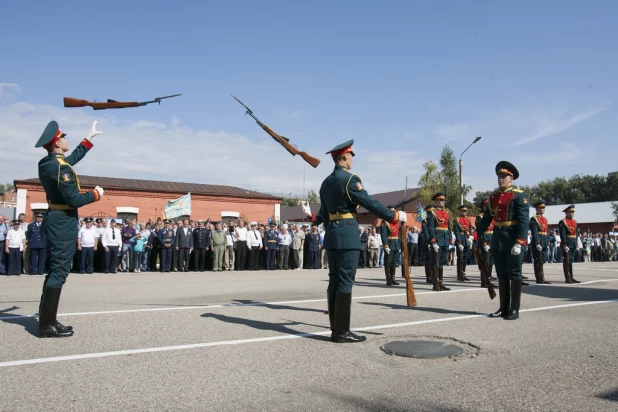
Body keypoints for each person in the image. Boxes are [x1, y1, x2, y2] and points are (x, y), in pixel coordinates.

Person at [304, 140, 406, 343]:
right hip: (347, 235)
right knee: (344, 282)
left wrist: (311, 218)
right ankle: (341, 332)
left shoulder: (326, 183)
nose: (352, 160)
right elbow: (369, 202)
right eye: (350, 156)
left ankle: (336, 329)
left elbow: (323, 215)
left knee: (334, 281)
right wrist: (394, 216)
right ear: (342, 157)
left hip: (332, 235)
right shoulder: (350, 180)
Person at [35, 120, 104, 337]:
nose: (66, 140)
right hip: (63, 222)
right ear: (57, 143)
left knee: (54, 271)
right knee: (59, 271)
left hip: (55, 218)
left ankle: (48, 320)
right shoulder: (60, 168)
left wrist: (88, 140)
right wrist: (95, 195)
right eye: (63, 137)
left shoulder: (47, 163)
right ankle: (46, 325)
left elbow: (69, 160)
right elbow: (73, 199)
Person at [476, 161, 529, 320]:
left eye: (504, 176)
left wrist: (519, 241)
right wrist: (477, 236)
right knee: (501, 274)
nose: (501, 178)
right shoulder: (494, 197)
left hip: (513, 238)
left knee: (514, 273)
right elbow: (486, 220)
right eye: (499, 176)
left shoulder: (519, 196)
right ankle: (504, 307)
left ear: (511, 178)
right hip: (498, 239)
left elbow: (524, 220)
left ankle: (514, 309)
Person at [427, 192, 452, 291]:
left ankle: (441, 282)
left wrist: (450, 239)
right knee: (435, 263)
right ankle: (435, 283)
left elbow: (449, 227)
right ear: (436, 201)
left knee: (441, 262)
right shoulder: (432, 212)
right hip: (437, 239)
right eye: (441, 200)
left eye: (444, 200)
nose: (443, 202)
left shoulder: (446, 213)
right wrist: (433, 240)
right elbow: (430, 227)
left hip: (445, 240)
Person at [529, 200, 551, 284]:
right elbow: (534, 232)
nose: (543, 209)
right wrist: (537, 242)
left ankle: (542, 276)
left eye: (543, 207)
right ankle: (539, 277)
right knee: (538, 260)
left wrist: (548, 241)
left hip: (544, 239)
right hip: (538, 239)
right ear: (537, 209)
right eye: (541, 208)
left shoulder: (544, 219)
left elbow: (547, 231)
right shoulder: (534, 219)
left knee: (543, 260)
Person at [380, 206, 402, 286]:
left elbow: (399, 234)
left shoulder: (396, 222)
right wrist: (385, 245)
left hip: (396, 244)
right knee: (388, 262)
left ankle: (393, 278)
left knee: (394, 262)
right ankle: (388, 279)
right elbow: (383, 234)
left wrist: (400, 246)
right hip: (389, 243)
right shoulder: (385, 221)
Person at [559, 205, 581, 283]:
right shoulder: (563, 222)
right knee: (567, 261)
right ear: (566, 213)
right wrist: (564, 244)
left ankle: (571, 276)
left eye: (573, 212)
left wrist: (577, 242)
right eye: (571, 212)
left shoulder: (574, 221)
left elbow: (576, 233)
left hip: (573, 242)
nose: (572, 213)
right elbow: (563, 234)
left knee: (571, 260)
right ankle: (567, 277)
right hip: (567, 242)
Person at [477, 198, 495, 280]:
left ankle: (489, 276)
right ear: (483, 207)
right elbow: (480, 231)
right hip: (485, 239)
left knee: (491, 261)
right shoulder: (480, 217)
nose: (487, 207)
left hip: (492, 239)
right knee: (485, 260)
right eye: (486, 206)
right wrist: (484, 243)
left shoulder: (493, 216)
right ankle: (484, 279)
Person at [453, 205, 473, 282]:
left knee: (465, 258)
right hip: (461, 239)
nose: (464, 212)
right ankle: (459, 274)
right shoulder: (457, 219)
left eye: (465, 211)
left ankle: (463, 273)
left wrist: (471, 237)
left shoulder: (468, 219)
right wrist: (459, 242)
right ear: (460, 211)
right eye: (463, 211)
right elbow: (456, 231)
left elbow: (470, 228)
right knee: (460, 258)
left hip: (467, 240)